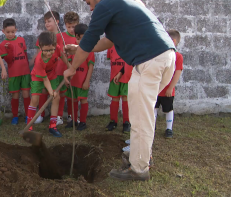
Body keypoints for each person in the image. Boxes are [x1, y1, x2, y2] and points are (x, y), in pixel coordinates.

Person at [63, 0, 176, 181]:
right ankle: (143, 157)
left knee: (140, 117)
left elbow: (91, 36)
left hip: (150, 61)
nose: (90, 7)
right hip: (165, 56)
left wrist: (72, 68)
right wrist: (78, 49)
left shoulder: (105, 4)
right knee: (142, 114)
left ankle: (139, 169)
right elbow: (108, 41)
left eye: (89, 2)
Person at [27, 31, 69, 137]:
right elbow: (44, 80)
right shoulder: (39, 61)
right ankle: (29, 125)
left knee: (56, 98)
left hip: (52, 76)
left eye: (51, 50)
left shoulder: (57, 49)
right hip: (38, 77)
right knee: (35, 99)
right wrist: (51, 92)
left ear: (55, 46)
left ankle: (52, 126)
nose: (49, 53)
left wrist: (70, 66)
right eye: (46, 50)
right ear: (40, 47)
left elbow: (63, 57)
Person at [0, 18, 31, 125]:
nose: (10, 34)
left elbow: (25, 55)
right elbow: (8, 61)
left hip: (25, 72)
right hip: (14, 73)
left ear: (16, 30)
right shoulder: (3, 45)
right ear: (3, 31)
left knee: (26, 94)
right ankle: (15, 116)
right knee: (15, 95)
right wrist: (10, 51)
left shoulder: (21, 40)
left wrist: (28, 68)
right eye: (8, 32)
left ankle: (28, 115)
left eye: (12, 32)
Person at [32, 11, 60, 124]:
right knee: (43, 92)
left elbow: (62, 54)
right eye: (45, 22)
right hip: (42, 70)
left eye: (49, 21)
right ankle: (41, 113)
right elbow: (39, 52)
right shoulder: (43, 37)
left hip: (55, 70)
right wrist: (31, 61)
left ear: (57, 21)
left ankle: (57, 117)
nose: (47, 24)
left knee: (57, 94)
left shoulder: (60, 38)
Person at [64, 24, 94, 130]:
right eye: (78, 38)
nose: (80, 41)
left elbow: (90, 67)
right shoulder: (73, 50)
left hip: (82, 82)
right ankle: (74, 120)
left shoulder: (89, 51)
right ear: (75, 37)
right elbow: (70, 65)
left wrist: (87, 81)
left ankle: (83, 122)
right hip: (74, 81)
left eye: (83, 39)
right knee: (73, 101)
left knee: (83, 101)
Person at [155, 30, 183, 139]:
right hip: (156, 88)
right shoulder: (160, 54)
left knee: (168, 109)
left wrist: (170, 88)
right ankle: (152, 127)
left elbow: (178, 72)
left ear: (173, 41)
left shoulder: (178, 56)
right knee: (154, 108)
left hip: (167, 90)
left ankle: (169, 129)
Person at [56, 11, 79, 126]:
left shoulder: (78, 38)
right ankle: (59, 116)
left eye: (74, 26)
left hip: (74, 70)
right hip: (61, 69)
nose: (71, 29)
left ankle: (72, 115)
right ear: (65, 25)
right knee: (61, 93)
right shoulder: (59, 36)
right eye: (69, 27)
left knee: (72, 93)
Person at [105, 45, 133, 133]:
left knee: (125, 99)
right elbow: (111, 59)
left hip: (126, 77)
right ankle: (113, 121)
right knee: (114, 98)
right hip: (114, 77)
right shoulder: (110, 47)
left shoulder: (128, 45)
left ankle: (126, 122)